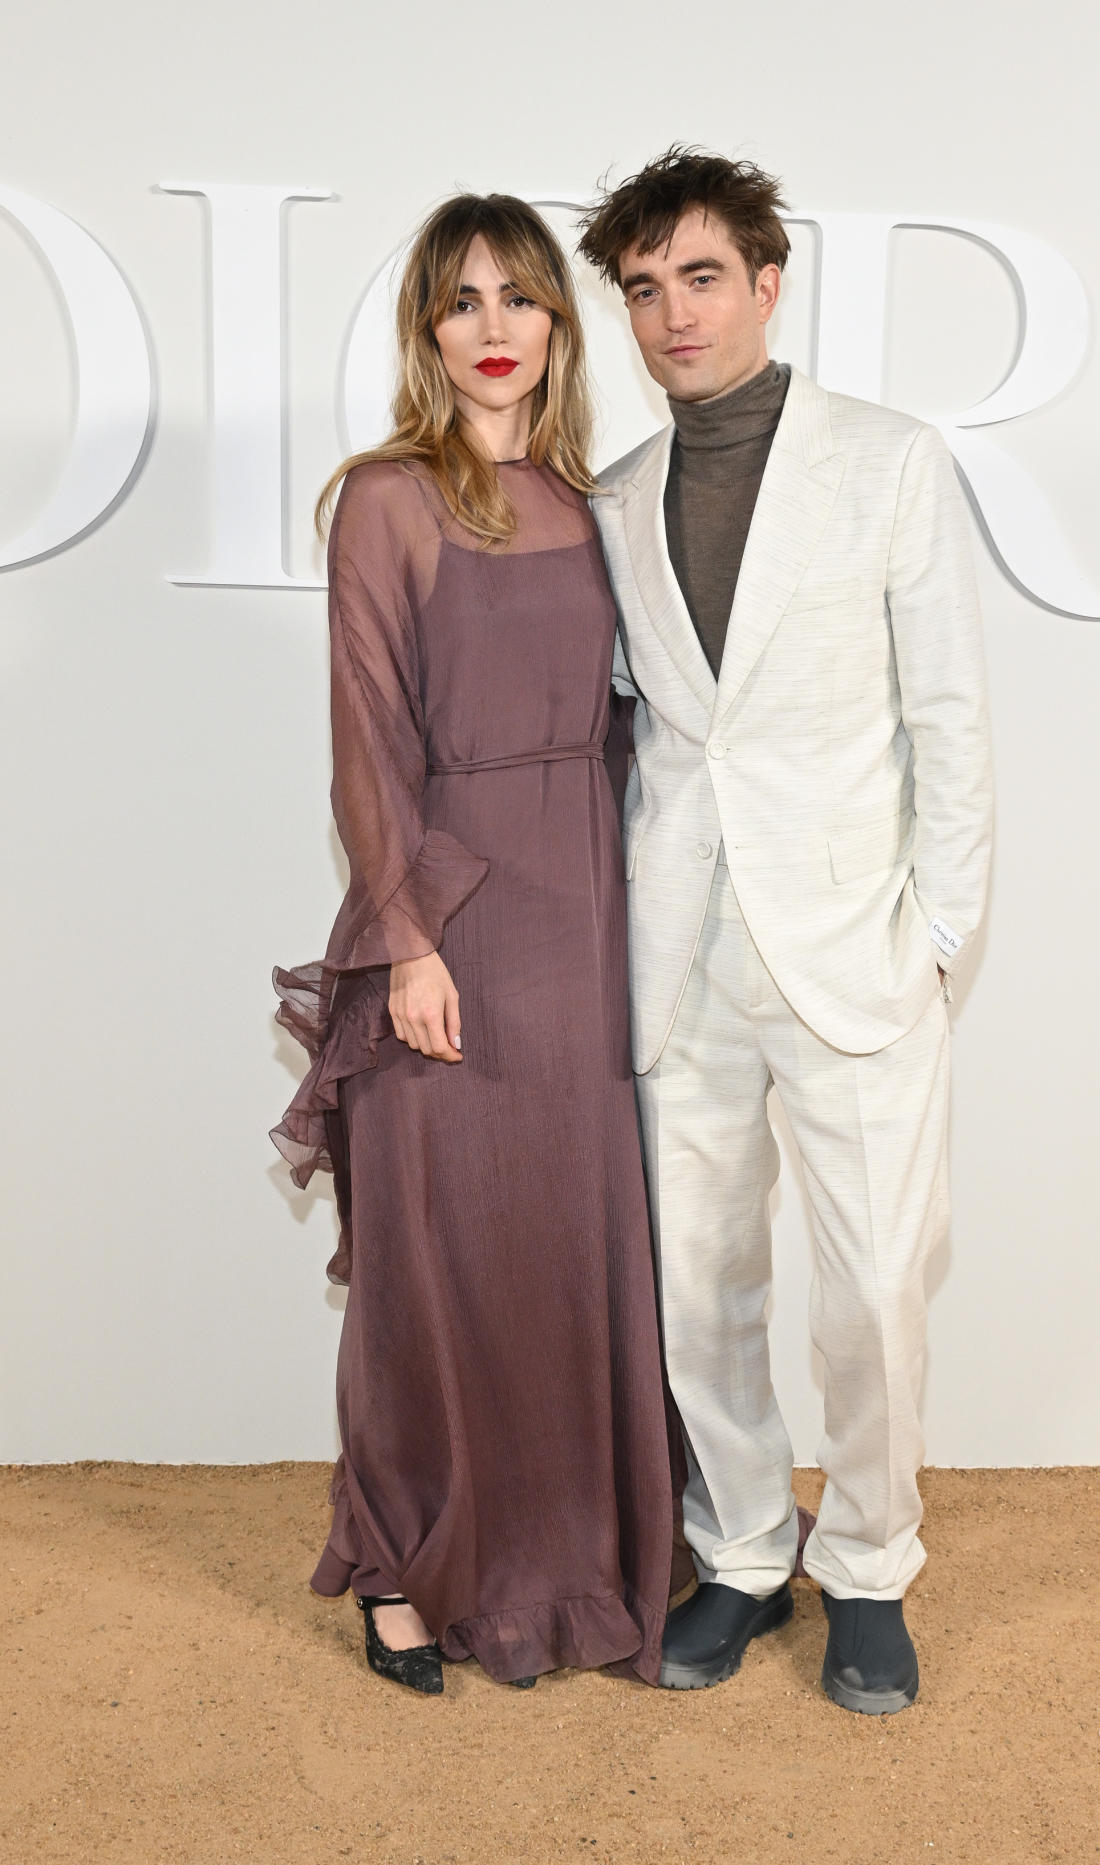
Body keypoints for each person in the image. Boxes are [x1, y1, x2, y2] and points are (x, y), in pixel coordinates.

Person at [578, 148, 993, 1713]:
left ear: (765, 280)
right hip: (675, 951)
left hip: (854, 956)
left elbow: (947, 714)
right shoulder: (610, 498)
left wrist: (936, 936)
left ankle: (869, 1562)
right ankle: (744, 1545)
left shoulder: (887, 461)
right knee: (703, 1278)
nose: (670, 314)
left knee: (878, 1284)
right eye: (640, 288)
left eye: (698, 276)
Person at [271, 193, 673, 1693]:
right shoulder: (385, 495)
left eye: (520, 299)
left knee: (573, 1253)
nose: (493, 330)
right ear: (426, 330)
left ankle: (584, 1552)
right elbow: (364, 736)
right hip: (449, 916)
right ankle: (402, 1567)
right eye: (462, 302)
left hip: (590, 915)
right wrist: (409, 943)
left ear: (560, 327)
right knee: (435, 1263)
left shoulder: (594, 501)